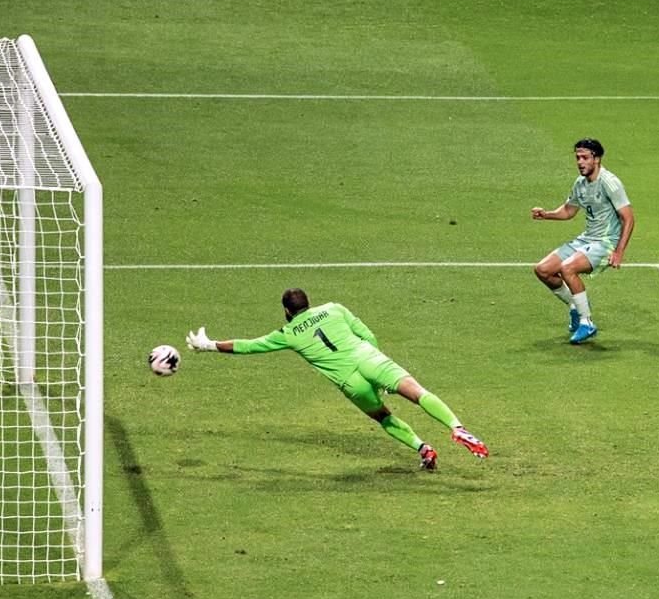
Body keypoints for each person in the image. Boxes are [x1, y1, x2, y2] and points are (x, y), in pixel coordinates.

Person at [185, 288, 488, 470]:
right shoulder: (334, 309)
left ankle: (423, 448)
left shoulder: (288, 333)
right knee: (418, 392)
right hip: (370, 359)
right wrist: (377, 364)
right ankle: (457, 428)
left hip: (350, 382)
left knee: (382, 416)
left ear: (287, 311)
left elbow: (248, 346)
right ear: (309, 302)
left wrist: (208, 345)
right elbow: (367, 335)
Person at [531, 138, 635, 343]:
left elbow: (628, 218)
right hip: (586, 239)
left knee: (567, 268)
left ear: (596, 159)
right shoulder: (580, 183)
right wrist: (547, 214)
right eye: (578, 157)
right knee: (542, 269)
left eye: (585, 158)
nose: (580, 162)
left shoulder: (609, 183)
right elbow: (569, 211)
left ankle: (587, 323)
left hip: (605, 243)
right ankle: (575, 307)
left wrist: (619, 252)